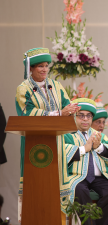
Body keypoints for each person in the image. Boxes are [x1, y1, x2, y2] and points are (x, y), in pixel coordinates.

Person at [15, 48, 79, 219]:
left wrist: (73, 109)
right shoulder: (24, 89)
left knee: (55, 187)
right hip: (33, 145)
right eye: (39, 67)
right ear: (31, 69)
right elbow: (26, 114)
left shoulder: (56, 86)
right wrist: (59, 113)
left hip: (56, 143)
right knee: (36, 189)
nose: (44, 70)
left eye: (46, 66)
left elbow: (67, 107)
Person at [64, 98, 108, 225]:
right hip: (77, 177)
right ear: (74, 117)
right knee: (79, 190)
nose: (85, 119)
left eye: (88, 116)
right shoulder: (67, 134)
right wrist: (84, 148)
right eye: (81, 115)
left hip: (100, 178)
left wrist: (99, 147)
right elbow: (62, 153)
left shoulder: (100, 136)